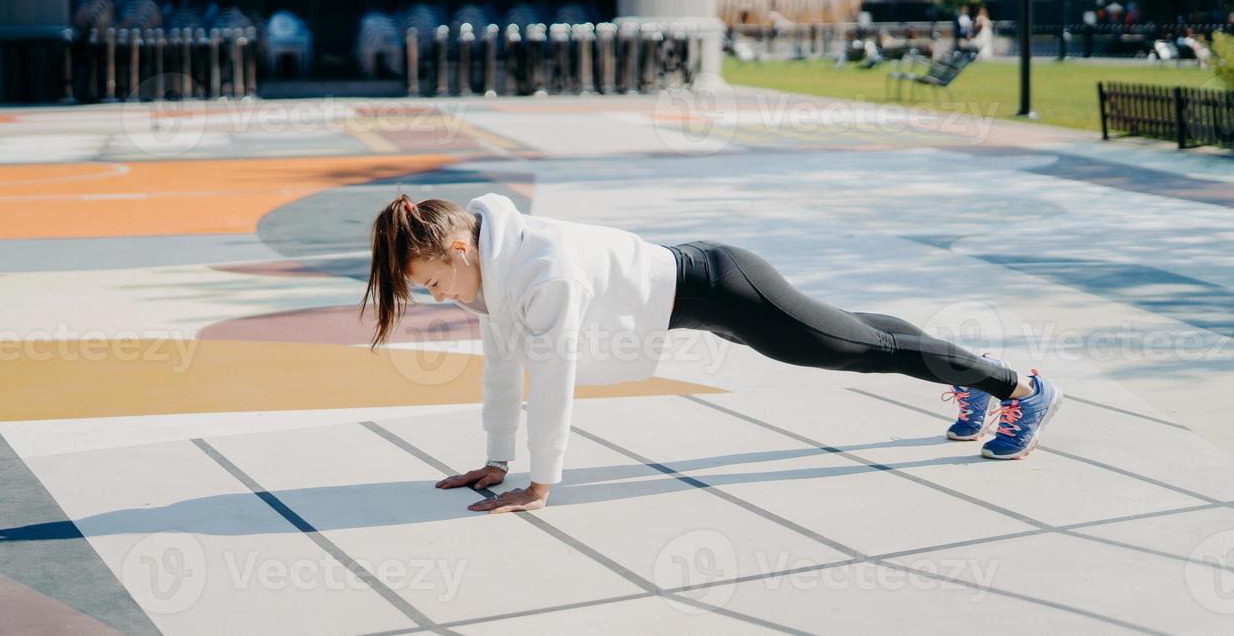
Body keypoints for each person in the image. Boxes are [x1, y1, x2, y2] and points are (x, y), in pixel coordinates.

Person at [361, 193, 1064, 515]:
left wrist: (541, 482)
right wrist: (496, 456)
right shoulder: (497, 266)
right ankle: (966, 374)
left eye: (433, 284)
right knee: (854, 333)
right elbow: (504, 360)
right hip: (700, 292)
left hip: (723, 287)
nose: (443, 298)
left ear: (459, 248)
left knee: (852, 348)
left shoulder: (542, 268)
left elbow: (550, 376)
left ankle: (1017, 387)